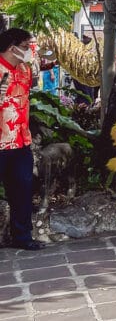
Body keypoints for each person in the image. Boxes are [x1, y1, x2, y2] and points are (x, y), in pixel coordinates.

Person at [0, 27, 45, 250]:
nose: (29, 51)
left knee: (23, 189)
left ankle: (23, 236)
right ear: (12, 48)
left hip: (20, 140)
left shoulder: (25, 70)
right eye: (26, 47)